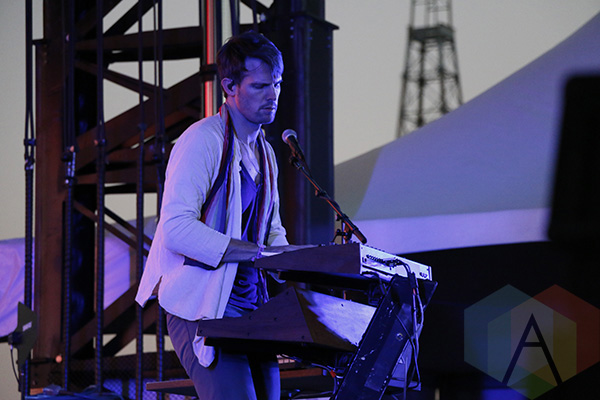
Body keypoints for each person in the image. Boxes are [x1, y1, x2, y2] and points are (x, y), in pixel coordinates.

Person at [135, 32, 304, 399]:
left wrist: (300, 260)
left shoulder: (266, 153)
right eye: (260, 86)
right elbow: (176, 229)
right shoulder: (202, 139)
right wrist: (258, 253)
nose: (272, 95)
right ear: (229, 87)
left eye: (277, 84)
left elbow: (272, 232)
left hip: (253, 309)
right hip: (202, 307)